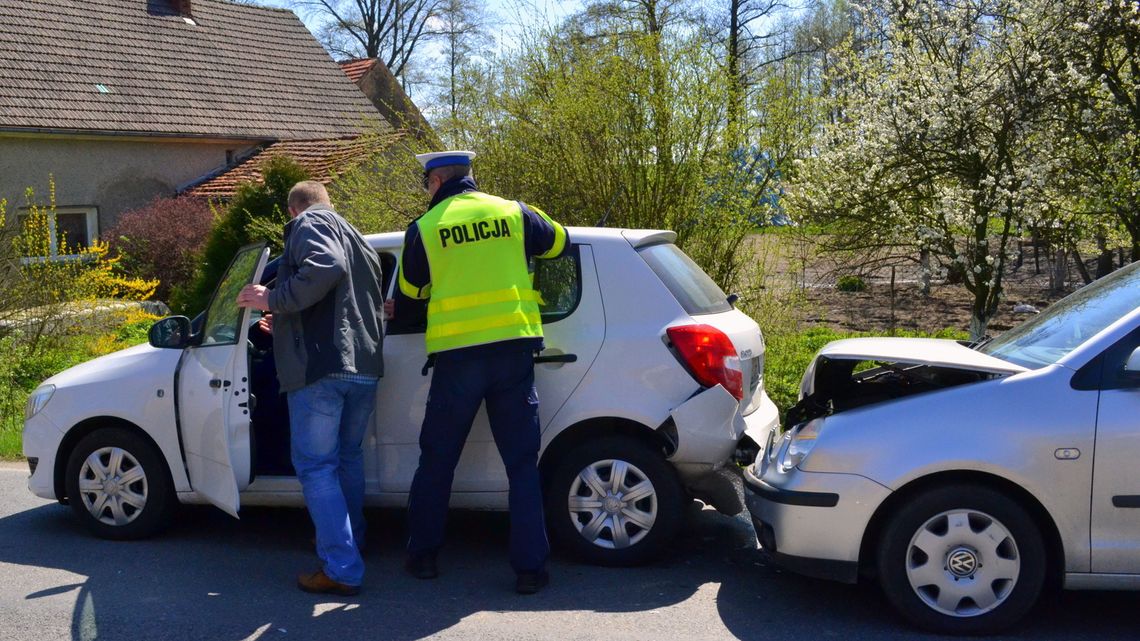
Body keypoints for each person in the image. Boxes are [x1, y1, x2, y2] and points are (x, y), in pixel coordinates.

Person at [399, 150, 568, 595]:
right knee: (521, 467)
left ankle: (424, 557)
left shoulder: (425, 228)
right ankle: (530, 570)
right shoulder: (513, 212)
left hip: (457, 360)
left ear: (436, 181)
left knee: (437, 460)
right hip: (513, 354)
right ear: (470, 177)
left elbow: (412, 293)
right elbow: (558, 243)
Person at [236, 181, 384, 596]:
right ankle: (352, 547)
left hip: (322, 370)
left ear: (292, 209)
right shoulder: (361, 241)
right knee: (346, 461)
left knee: (316, 468)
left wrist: (273, 299)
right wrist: (281, 316)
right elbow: (344, 305)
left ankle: (341, 567)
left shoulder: (308, 224)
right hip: (363, 368)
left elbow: (325, 266)